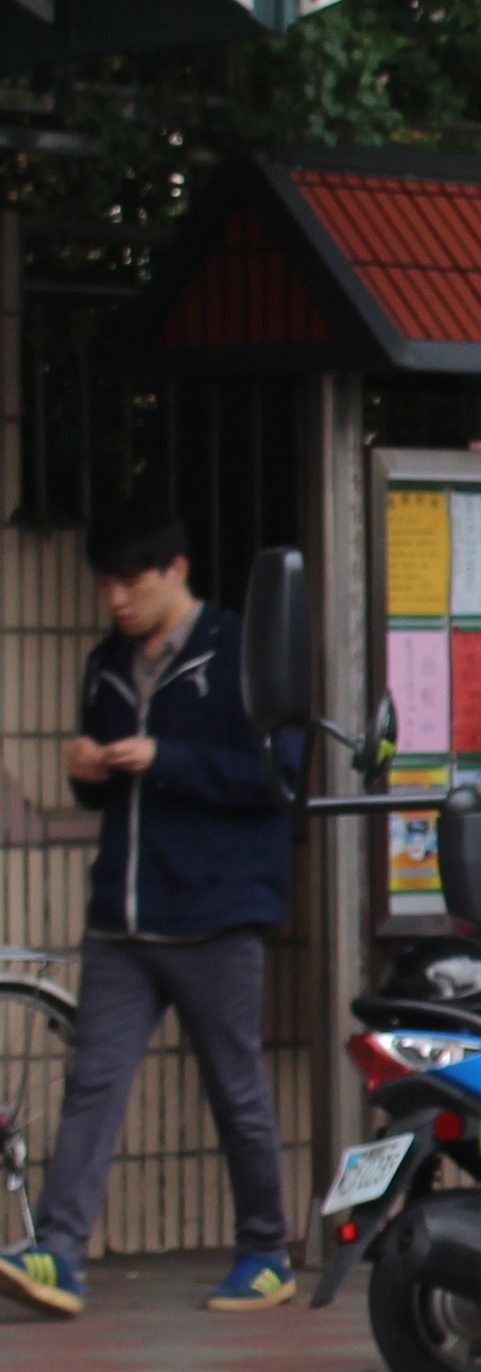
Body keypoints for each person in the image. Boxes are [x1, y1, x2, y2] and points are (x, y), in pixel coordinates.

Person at [0, 513, 300, 1318]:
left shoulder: (236, 650)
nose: (118, 599)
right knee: (92, 1081)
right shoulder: (106, 662)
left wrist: (167, 757)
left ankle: (267, 1251)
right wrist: (86, 769)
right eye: (107, 585)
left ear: (177, 568)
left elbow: (279, 773)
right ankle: (59, 1254)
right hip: (122, 917)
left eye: (132, 581)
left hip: (217, 911)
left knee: (234, 1086)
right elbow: (99, 793)